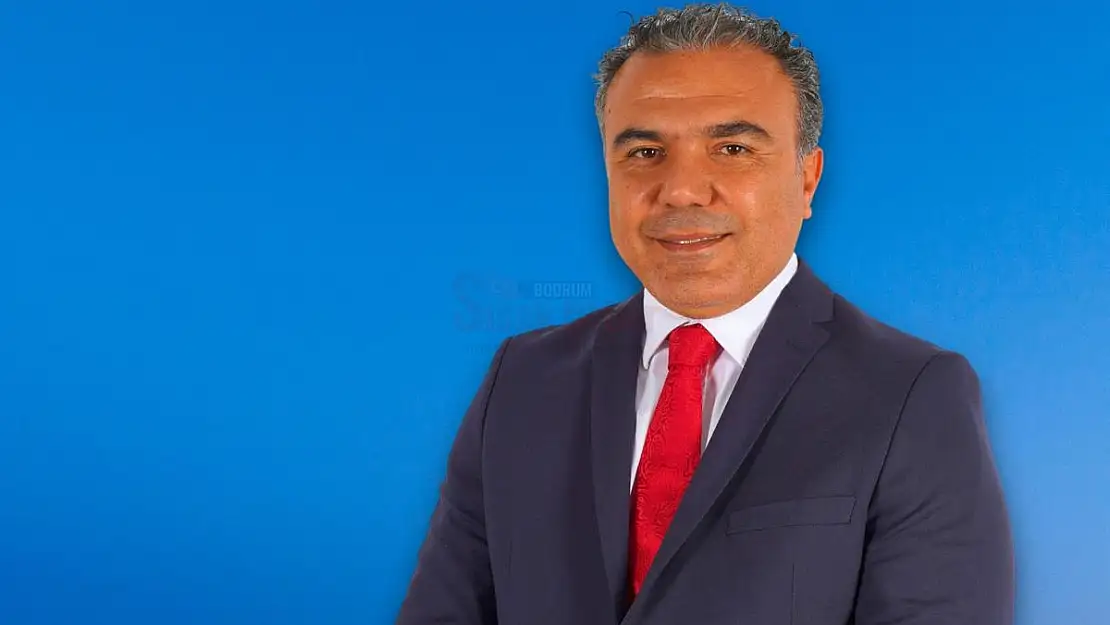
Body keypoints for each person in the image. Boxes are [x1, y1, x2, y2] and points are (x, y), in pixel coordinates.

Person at [395, 4, 1015, 624]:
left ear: (807, 180)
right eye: (645, 152)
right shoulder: (523, 381)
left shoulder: (910, 395)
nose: (683, 189)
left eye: (733, 148)